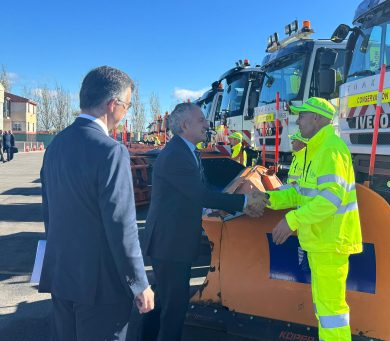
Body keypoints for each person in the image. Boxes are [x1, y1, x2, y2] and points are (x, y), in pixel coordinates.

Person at [39, 66, 154, 341]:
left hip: (62, 276)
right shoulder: (111, 151)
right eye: (126, 106)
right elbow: (122, 226)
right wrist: (140, 284)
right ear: (112, 104)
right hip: (100, 287)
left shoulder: (56, 146)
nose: (125, 113)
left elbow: (49, 213)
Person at [143, 102, 269, 341]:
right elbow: (200, 195)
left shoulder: (187, 151)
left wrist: (231, 199)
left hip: (172, 242)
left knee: (163, 302)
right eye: (201, 120)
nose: (206, 124)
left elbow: (199, 191)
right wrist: (244, 202)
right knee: (174, 309)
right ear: (184, 125)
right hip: (170, 244)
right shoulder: (177, 155)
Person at [267, 97, 363, 341]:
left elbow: (330, 200)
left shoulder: (330, 149)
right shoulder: (316, 148)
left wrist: (292, 221)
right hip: (322, 241)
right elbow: (301, 193)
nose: (297, 120)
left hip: (331, 242)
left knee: (332, 311)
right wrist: (267, 199)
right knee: (326, 310)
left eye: (302, 115)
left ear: (317, 118)